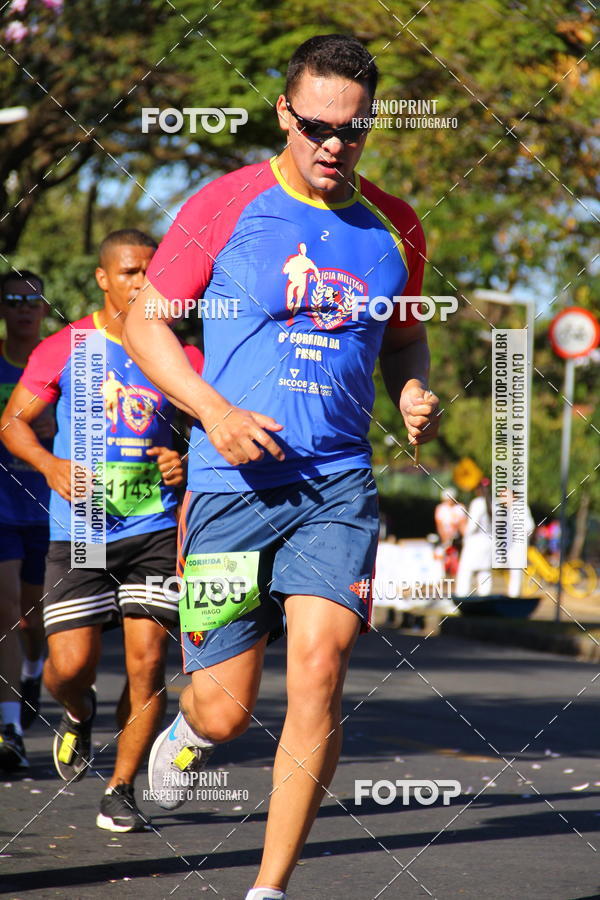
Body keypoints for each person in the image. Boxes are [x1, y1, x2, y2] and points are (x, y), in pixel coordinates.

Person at [123, 35, 440, 900]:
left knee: (320, 669)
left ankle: (269, 889)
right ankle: (188, 734)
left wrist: (412, 390)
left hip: (335, 485)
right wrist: (213, 412)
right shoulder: (223, 205)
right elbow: (148, 325)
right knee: (223, 709)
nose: (334, 143)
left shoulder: (395, 224)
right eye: (316, 125)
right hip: (229, 488)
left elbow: (405, 330)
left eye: (354, 128)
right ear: (283, 115)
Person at [0, 230, 203, 831]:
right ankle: (77, 711)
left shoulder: (179, 354)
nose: (143, 283)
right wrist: (50, 464)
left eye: (151, 272)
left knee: (147, 661)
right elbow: (13, 424)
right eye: (132, 272)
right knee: (69, 666)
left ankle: (121, 787)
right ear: (103, 278)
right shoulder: (67, 346)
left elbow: (216, 424)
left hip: (154, 526)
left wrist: (186, 460)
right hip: (81, 528)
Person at [0, 270, 53, 771]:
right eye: (13, 300)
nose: (22, 308)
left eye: (31, 301)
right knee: (6, 608)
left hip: (50, 508)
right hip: (1, 509)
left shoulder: (59, 361)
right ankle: (9, 728)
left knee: (34, 616)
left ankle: (36, 666)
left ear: (43, 308)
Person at [454, 478, 493, 597]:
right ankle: (485, 597)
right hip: (489, 541)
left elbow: (472, 526)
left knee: (465, 571)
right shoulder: (494, 503)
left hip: (475, 542)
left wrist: (463, 531)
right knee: (484, 571)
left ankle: (461, 597)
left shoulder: (478, 503)